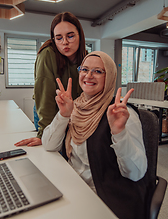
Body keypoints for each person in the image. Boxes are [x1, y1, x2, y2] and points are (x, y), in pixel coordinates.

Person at [42, 51, 148, 219]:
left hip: (105, 197)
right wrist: (63, 115)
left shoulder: (121, 113)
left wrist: (119, 132)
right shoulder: (74, 105)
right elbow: (48, 145)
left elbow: (136, 173)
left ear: (110, 77)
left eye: (98, 71)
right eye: (84, 69)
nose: (88, 76)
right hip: (73, 187)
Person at [15, 12, 87, 147]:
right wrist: (44, 134)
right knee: (53, 151)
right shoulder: (47, 54)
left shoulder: (86, 57)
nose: (65, 42)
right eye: (59, 38)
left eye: (70, 36)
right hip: (49, 112)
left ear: (80, 35)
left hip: (73, 113)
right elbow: (45, 97)